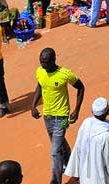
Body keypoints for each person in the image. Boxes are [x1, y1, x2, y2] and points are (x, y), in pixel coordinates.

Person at [31, 47, 85, 184]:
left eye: (46, 62)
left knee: (55, 151)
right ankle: (75, 167)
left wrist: (76, 110)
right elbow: (40, 86)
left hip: (62, 117)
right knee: (60, 144)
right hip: (47, 115)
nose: (43, 65)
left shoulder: (65, 74)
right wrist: (33, 105)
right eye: (41, 62)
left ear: (54, 60)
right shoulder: (40, 71)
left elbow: (81, 87)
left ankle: (55, 181)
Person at [65, 97, 109, 184]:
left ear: (92, 112)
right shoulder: (105, 135)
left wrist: (76, 174)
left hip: (84, 176)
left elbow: (77, 148)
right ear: (108, 111)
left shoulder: (86, 123)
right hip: (99, 179)